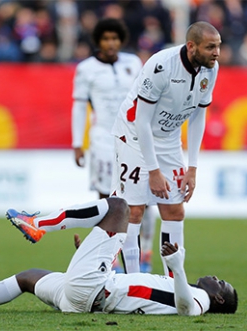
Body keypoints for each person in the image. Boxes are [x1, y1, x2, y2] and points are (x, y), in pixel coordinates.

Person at [0, 197, 238, 315]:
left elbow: (187, 311)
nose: (217, 280)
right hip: (86, 296)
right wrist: (91, 255)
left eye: (222, 284)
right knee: (28, 277)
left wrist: (177, 268)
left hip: (92, 290)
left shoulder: (200, 299)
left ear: (219, 300)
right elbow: (136, 288)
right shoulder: (184, 290)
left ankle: (38, 223)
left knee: (118, 208)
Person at [111, 21, 221, 275]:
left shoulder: (211, 69)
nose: (217, 53)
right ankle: (133, 281)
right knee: (134, 209)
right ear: (191, 47)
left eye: (218, 46)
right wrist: (153, 170)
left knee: (174, 208)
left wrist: (192, 167)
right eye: (211, 47)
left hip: (169, 138)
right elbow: (141, 120)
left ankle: (174, 281)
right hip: (133, 135)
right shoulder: (161, 65)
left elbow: (198, 117)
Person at [70, 17, 156, 272]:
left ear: (121, 40)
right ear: (98, 41)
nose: (111, 43)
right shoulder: (86, 69)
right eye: (106, 38)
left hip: (132, 139)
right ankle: (110, 257)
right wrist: (77, 143)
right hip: (102, 142)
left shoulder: (133, 63)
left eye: (115, 38)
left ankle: (145, 255)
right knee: (107, 200)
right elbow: (79, 106)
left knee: (144, 200)